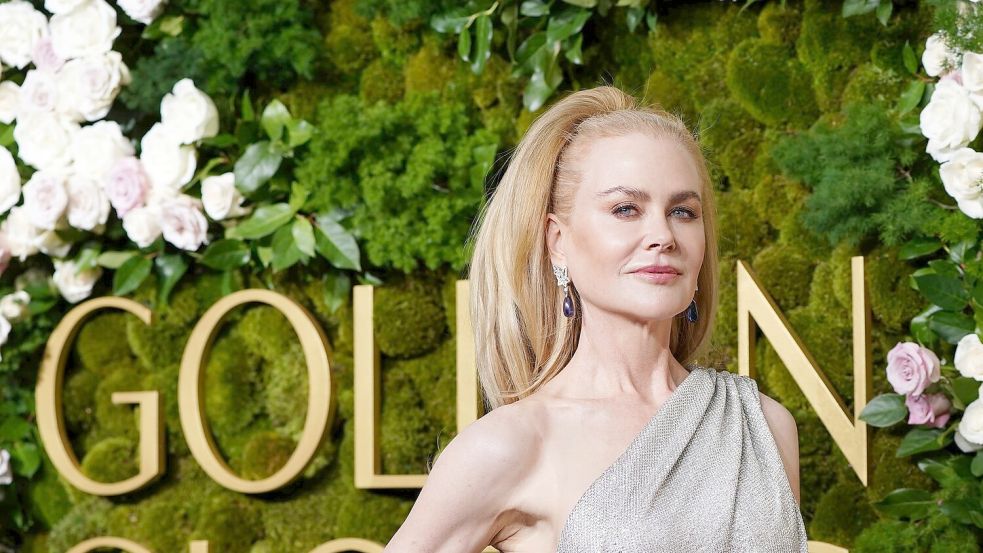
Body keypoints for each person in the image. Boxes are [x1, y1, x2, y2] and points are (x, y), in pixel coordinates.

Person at [383, 85, 808, 552]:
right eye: (625, 209)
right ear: (557, 240)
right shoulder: (513, 445)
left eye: (682, 211)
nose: (662, 235)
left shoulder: (764, 425)